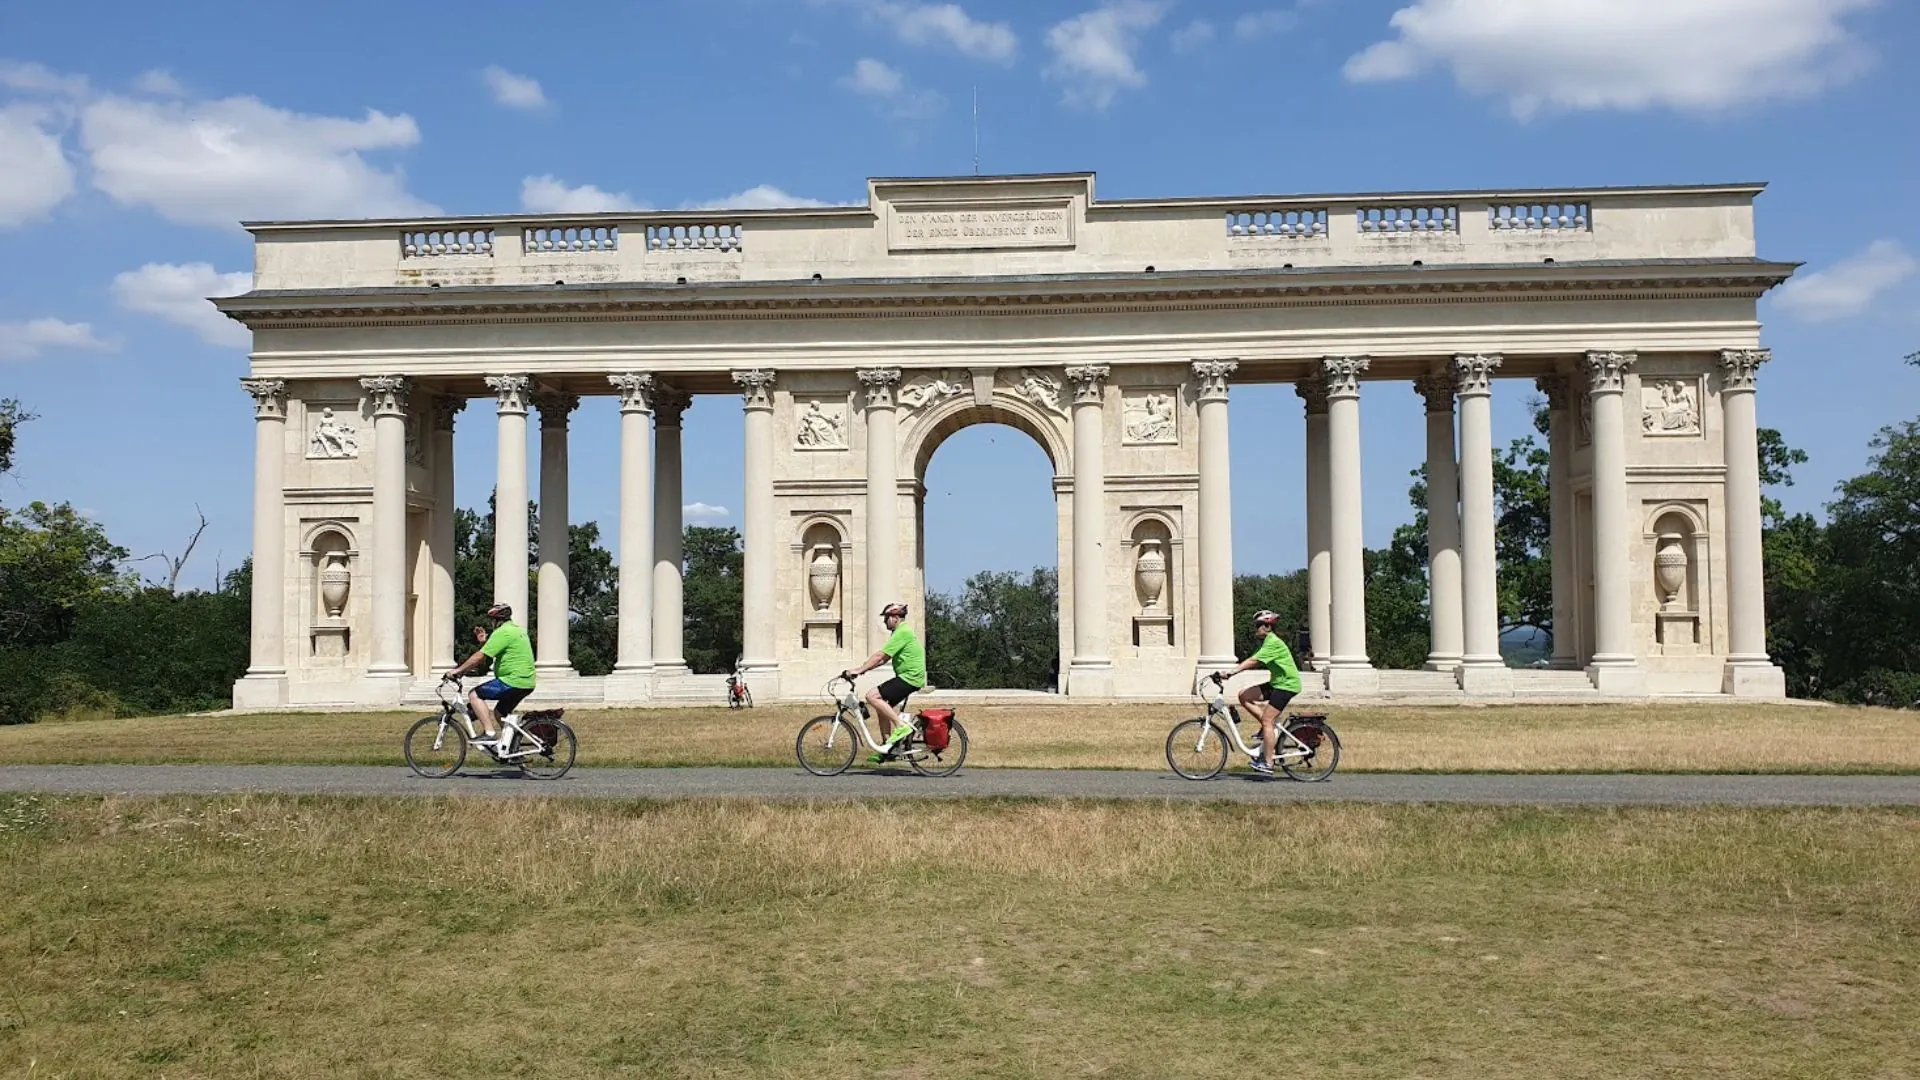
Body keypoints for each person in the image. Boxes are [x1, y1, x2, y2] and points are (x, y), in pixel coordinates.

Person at [1207, 609, 1303, 775]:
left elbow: (1253, 661)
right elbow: (1254, 659)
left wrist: (1231, 672)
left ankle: (1268, 762)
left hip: (1287, 685)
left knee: (1267, 720)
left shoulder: (1273, 642)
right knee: (1244, 695)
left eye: (1258, 625)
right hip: (1277, 683)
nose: (1256, 628)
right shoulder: (1267, 642)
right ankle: (1270, 729)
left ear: (1267, 626)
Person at [445, 602, 536, 751]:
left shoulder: (502, 632)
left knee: (474, 695)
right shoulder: (517, 630)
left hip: (512, 680)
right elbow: (497, 649)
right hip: (526, 681)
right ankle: (513, 749)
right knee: (500, 713)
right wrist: (484, 642)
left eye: (491, 621)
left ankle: (489, 733)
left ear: (496, 620)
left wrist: (457, 671)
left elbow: (479, 657)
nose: (491, 623)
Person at [842, 602, 926, 764]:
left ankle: (901, 726)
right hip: (909, 677)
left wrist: (858, 670)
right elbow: (884, 659)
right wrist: (864, 670)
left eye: (886, 618)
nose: (884, 622)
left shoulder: (903, 632)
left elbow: (880, 655)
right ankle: (889, 749)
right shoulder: (900, 633)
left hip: (910, 677)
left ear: (895, 618)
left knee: (872, 696)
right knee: (882, 706)